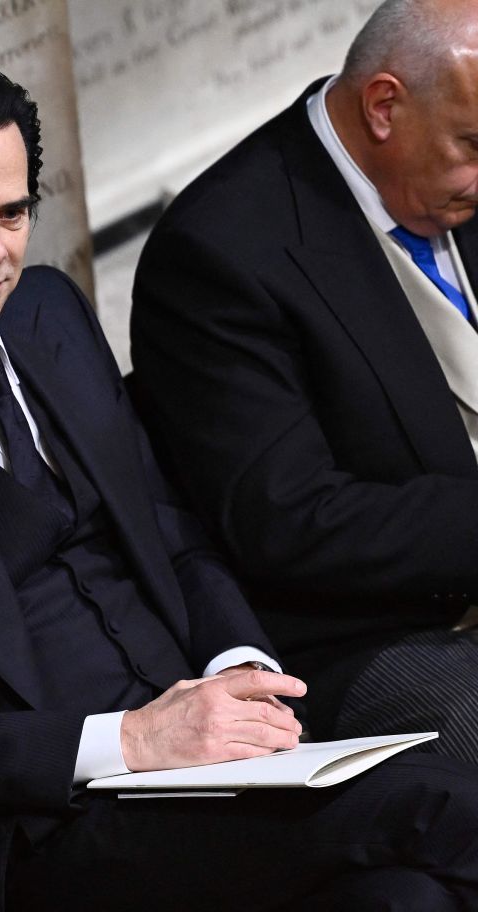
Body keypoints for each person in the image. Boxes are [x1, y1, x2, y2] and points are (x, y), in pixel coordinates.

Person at [0, 54, 478, 912]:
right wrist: (136, 739)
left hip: (221, 754)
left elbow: (171, 529)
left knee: (406, 898)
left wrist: (241, 666)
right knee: (439, 804)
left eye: (13, 213)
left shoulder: (49, 314)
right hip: (59, 820)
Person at [130, 0, 478, 751]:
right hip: (380, 635)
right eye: (472, 143)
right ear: (385, 107)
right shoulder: (221, 251)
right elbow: (290, 520)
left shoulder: (454, 176)